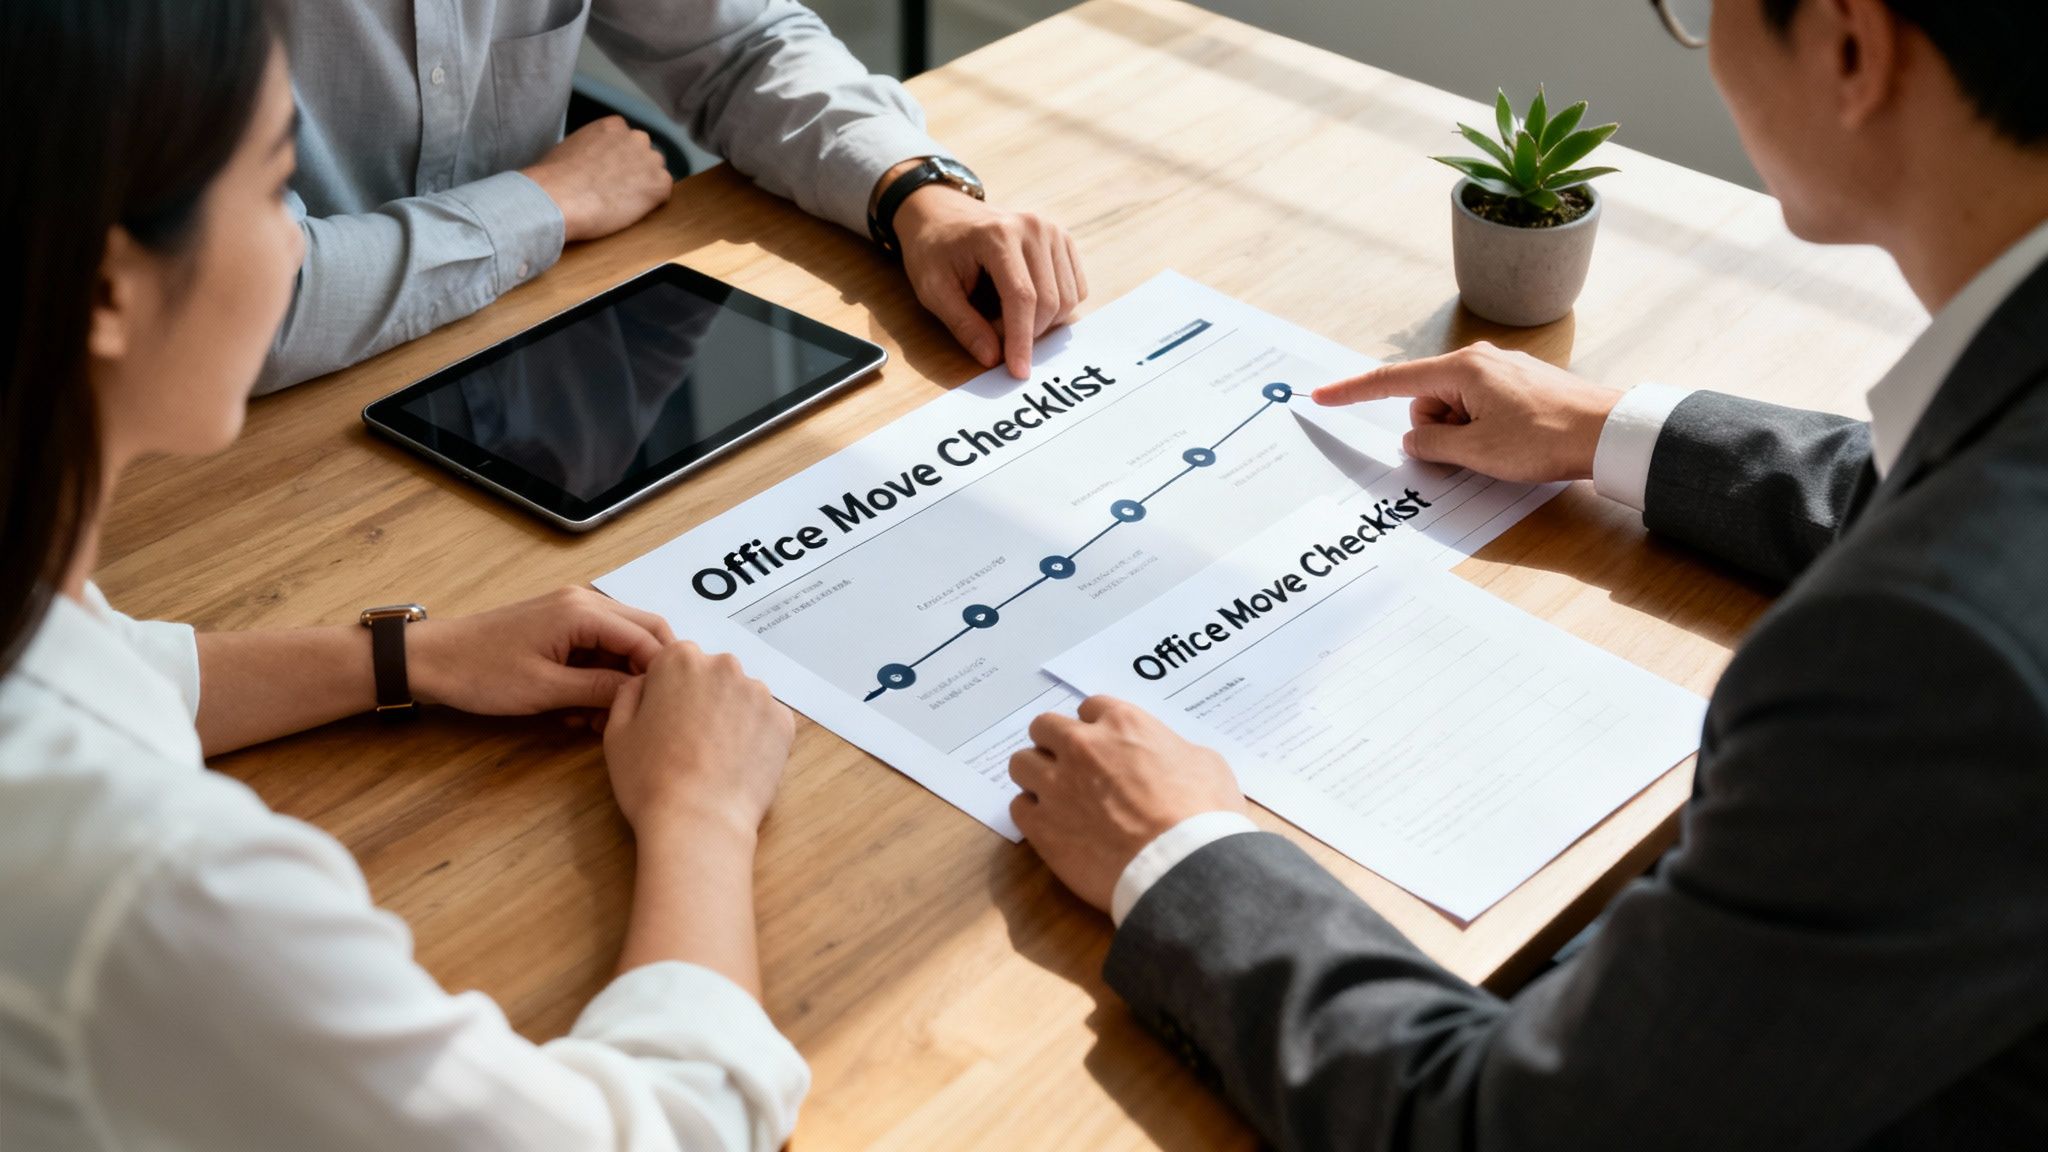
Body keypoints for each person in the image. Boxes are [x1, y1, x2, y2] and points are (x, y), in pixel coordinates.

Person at [1010, 0, 2048, 1147]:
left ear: (1849, 50)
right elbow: (1963, 481)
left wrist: (1177, 852)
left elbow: (1507, 1131)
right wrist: (1602, 426)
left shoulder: (1923, 663)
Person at [0, 3, 810, 1148]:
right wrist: (699, 811)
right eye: (277, 188)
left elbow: (81, 659)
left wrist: (400, 657)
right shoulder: (166, 888)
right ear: (107, 291)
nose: (300, 247)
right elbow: (647, 1134)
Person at [256, 0, 1087, 394]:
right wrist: (542, 203)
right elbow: (255, 311)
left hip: (526, 349)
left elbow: (740, 46)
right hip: (239, 448)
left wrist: (915, 191)